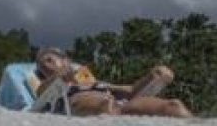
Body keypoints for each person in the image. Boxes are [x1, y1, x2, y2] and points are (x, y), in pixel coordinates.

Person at [33, 47, 193, 118]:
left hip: (118, 102)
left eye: (49, 60)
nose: (45, 66)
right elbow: (41, 94)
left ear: (65, 60)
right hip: (83, 103)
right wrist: (61, 75)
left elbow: (129, 91)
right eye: (41, 67)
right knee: (107, 104)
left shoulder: (88, 80)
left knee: (173, 106)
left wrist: (153, 76)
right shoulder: (46, 88)